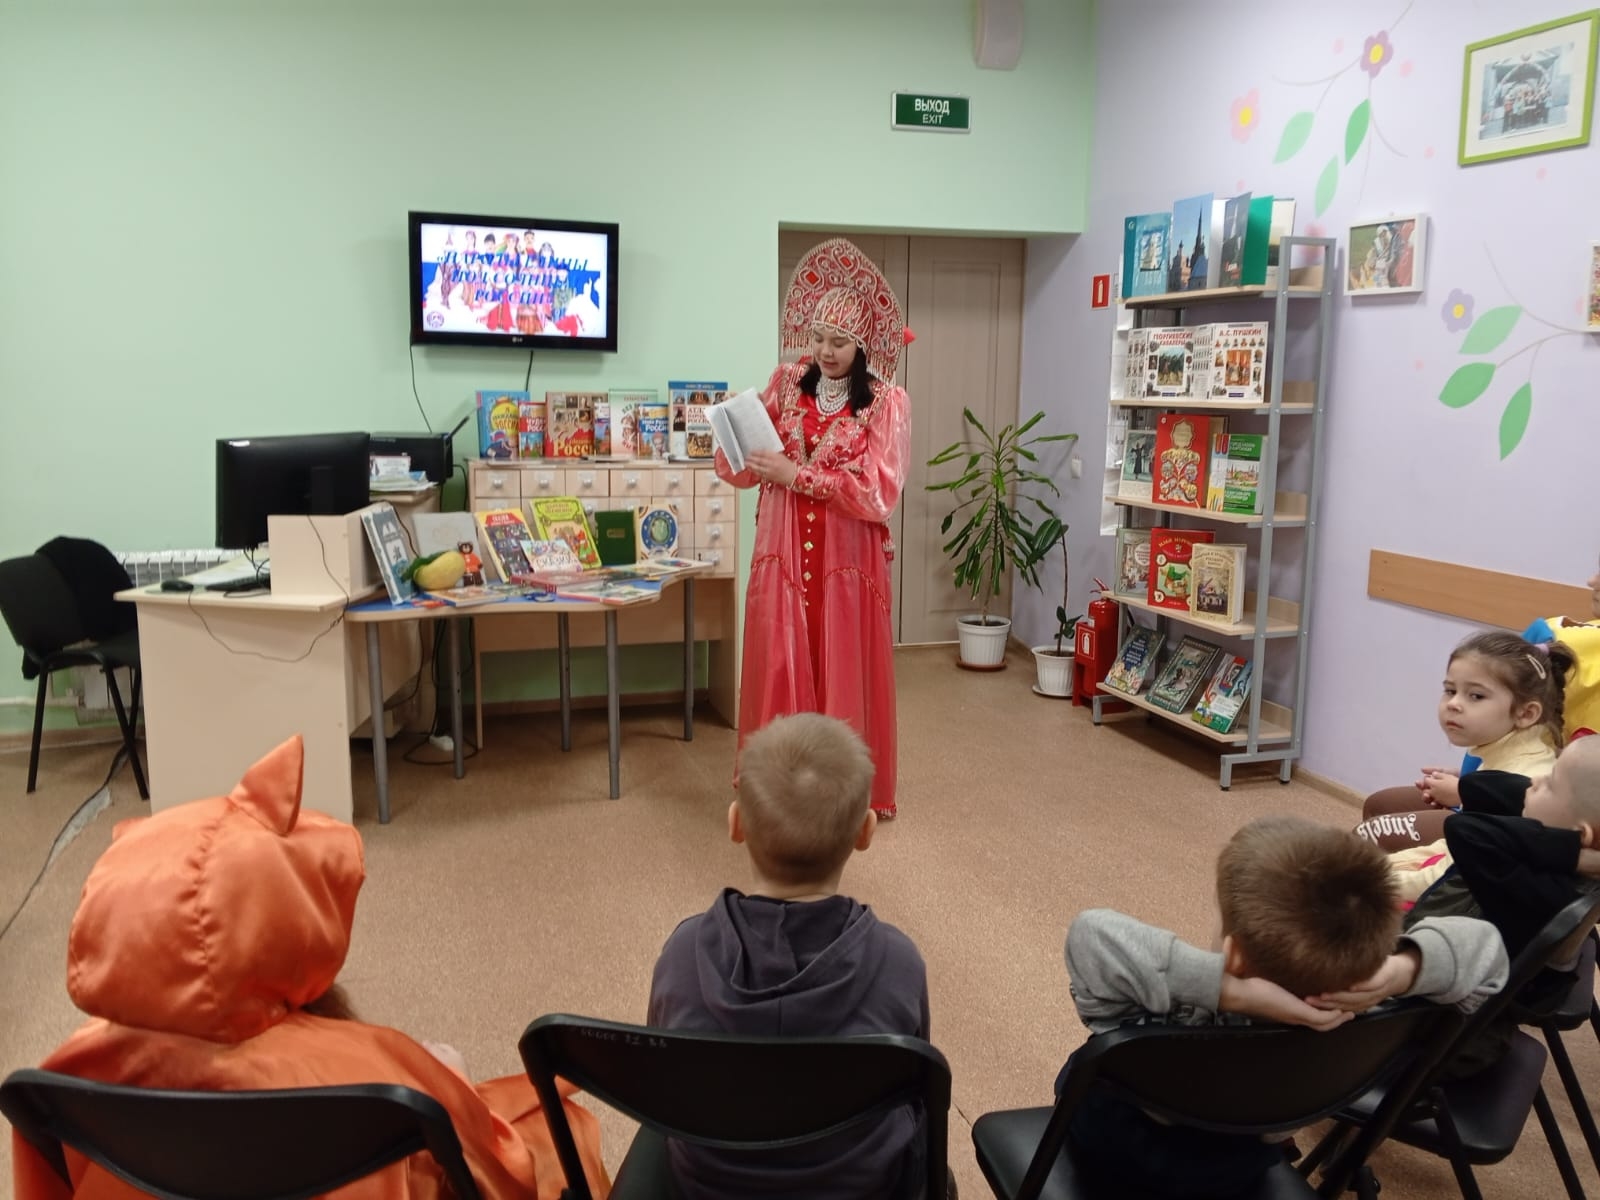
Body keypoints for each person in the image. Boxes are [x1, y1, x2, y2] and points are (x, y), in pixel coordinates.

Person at [12, 736, 610, 1200]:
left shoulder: (61, 1075)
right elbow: (499, 1173)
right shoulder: (372, 1075)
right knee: (563, 1131)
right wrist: (448, 1077)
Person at [1064, 815, 1508, 1200]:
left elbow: (1091, 933)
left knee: (1085, 1072)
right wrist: (1398, 971)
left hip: (1106, 1154)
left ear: (1234, 954)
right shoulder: (1363, 1015)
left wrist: (1226, 990)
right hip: (1238, 1173)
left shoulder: (1175, 1011)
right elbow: (1489, 951)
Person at [646, 713, 931, 1198]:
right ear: (865, 832)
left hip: (704, 1189)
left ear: (735, 823)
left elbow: (662, 1079)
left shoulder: (683, 953)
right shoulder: (899, 963)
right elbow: (917, 1090)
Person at [713, 237, 913, 819]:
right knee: (780, 658)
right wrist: (732, 432)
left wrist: (796, 475)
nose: (825, 351)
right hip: (782, 552)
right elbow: (743, 468)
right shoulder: (785, 382)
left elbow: (879, 493)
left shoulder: (886, 402)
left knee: (840, 663)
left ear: (863, 344)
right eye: (818, 337)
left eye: (839, 341)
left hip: (846, 560)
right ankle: (778, 786)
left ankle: (841, 792)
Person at [1356, 629, 1573, 852]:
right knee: (1378, 804)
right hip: (1472, 818)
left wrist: (1464, 794)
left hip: (1483, 849)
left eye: (1476, 696)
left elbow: (1510, 836)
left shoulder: (1532, 773)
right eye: (1450, 691)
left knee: (1367, 834)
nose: (1453, 704)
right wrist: (1465, 779)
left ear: (1526, 714)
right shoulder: (1504, 743)